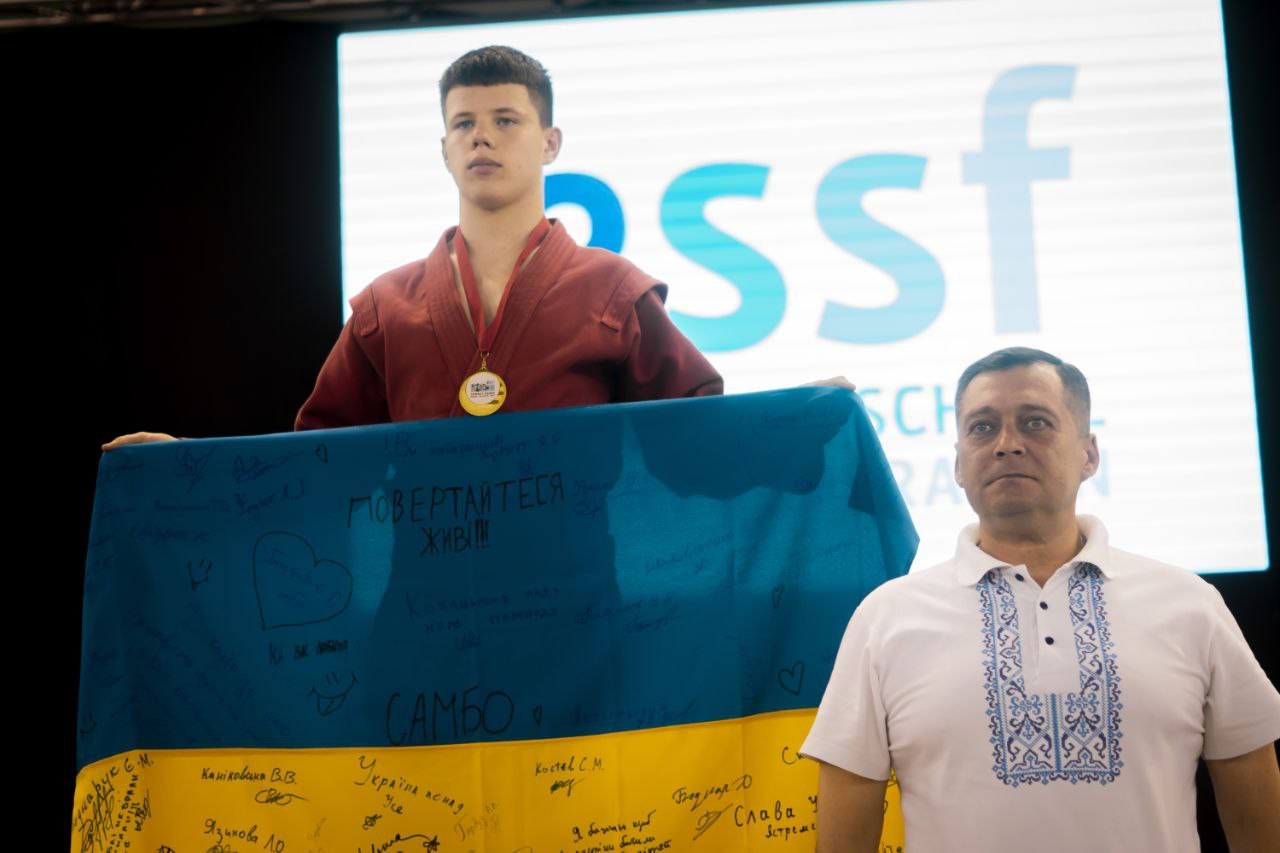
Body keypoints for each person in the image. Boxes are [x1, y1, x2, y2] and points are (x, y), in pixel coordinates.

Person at [104, 45, 725, 449]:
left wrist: (791, 426)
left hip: (576, 595)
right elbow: (313, 463)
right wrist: (187, 464)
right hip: (421, 602)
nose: (482, 137)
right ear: (444, 149)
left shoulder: (613, 292)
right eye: (464, 124)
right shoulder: (385, 308)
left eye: (506, 120)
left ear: (550, 143)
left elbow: (704, 441)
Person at [802, 346, 1280, 852]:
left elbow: (1258, 819)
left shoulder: (1191, 605)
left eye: (1036, 422)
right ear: (958, 465)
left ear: (1089, 454)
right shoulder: (885, 619)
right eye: (982, 427)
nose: (1007, 444)